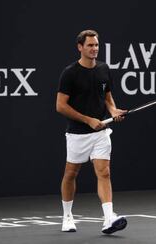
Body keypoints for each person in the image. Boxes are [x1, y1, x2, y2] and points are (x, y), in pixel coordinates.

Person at [56, 29, 128, 234]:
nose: (94, 48)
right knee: (71, 174)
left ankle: (108, 219)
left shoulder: (104, 69)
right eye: (90, 45)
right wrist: (88, 120)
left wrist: (114, 111)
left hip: (101, 132)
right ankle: (67, 216)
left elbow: (107, 98)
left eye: (96, 45)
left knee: (104, 172)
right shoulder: (70, 73)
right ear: (80, 47)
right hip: (78, 133)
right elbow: (60, 106)